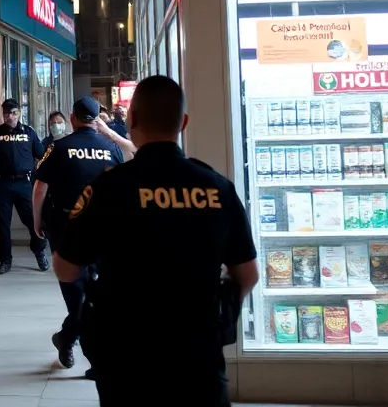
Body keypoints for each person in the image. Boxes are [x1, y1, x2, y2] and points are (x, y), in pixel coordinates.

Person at [55, 75, 259, 406]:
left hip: (126, 353)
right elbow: (248, 275)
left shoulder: (108, 188)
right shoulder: (217, 187)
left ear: (131, 119)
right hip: (199, 354)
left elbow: (66, 269)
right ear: (184, 123)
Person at [33, 96, 135, 371]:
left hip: (65, 224)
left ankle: (68, 339)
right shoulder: (110, 148)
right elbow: (130, 161)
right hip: (103, 227)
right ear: (97, 119)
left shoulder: (58, 147)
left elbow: (40, 188)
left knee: (76, 291)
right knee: (94, 289)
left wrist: (36, 220)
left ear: (72, 117)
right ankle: (79, 346)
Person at [0, 98, 49, 274]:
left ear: (19, 113)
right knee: (4, 224)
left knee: (32, 221)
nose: (9, 116)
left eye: (13, 113)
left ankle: (39, 251)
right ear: (2, 114)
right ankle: (5, 260)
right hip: (3, 183)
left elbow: (40, 154)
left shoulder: (29, 132)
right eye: (6, 113)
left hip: (24, 183)